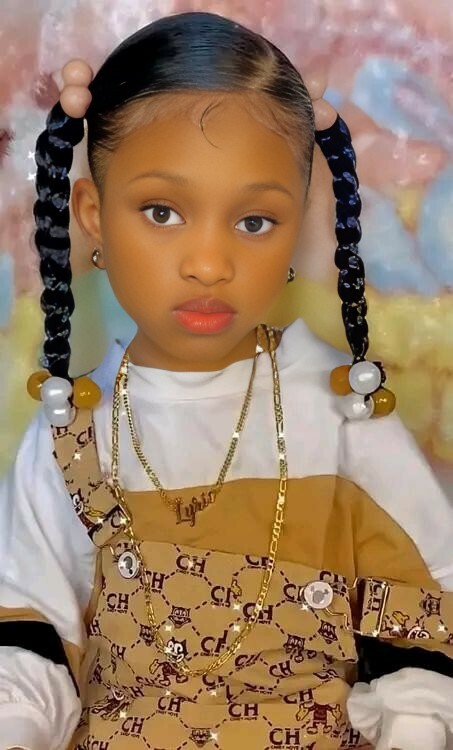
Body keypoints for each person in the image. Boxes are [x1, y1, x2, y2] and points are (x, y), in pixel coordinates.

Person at [1, 10, 453, 750]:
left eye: (253, 222)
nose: (209, 264)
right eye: (162, 212)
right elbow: (29, 636)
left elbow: (423, 607)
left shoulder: (340, 415)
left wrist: (416, 726)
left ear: (296, 222)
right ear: (93, 216)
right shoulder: (69, 438)